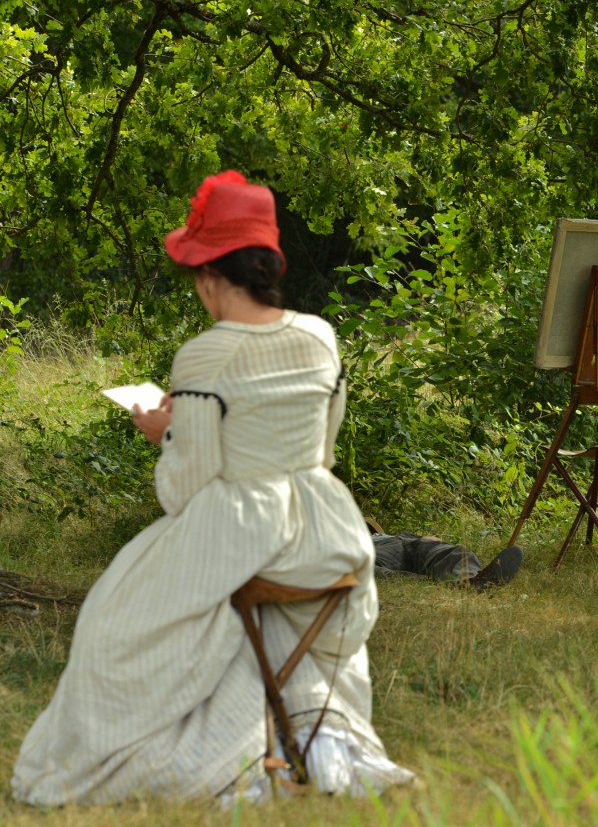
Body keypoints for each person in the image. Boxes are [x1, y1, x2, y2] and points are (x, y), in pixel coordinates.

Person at [11, 171, 413, 805]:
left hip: (244, 532)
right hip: (329, 533)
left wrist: (162, 433)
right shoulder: (319, 336)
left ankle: (209, 750)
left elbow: (188, 487)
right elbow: (324, 450)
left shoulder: (205, 356)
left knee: (110, 624)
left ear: (208, 276)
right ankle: (302, 733)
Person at [366, 518, 523, 590]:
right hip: (370, 548)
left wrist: (423, 538)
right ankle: (433, 584)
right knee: (367, 570)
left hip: (405, 540)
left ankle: (474, 581)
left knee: (455, 553)